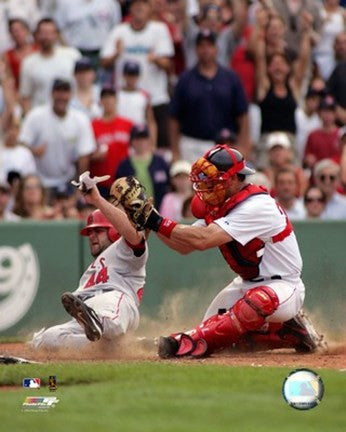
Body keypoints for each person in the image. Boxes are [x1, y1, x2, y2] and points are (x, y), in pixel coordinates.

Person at [117, 144, 326, 358]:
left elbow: (203, 240)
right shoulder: (223, 206)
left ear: (233, 179)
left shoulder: (258, 205)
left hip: (282, 286)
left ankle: (183, 343)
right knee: (224, 339)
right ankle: (291, 333)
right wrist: (148, 219)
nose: (206, 184)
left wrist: (155, 220)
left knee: (252, 305)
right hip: (246, 285)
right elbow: (183, 246)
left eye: (212, 179)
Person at [32, 179, 148, 349]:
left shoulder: (124, 249)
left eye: (98, 230)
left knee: (109, 321)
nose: (92, 236)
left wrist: (97, 200)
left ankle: (100, 325)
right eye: (90, 232)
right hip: (87, 312)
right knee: (48, 339)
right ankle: (124, 347)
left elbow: (134, 235)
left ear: (115, 230)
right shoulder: (91, 270)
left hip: (116, 300)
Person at [101, 0, 174, 149]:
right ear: (130, 8)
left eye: (144, 3)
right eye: (136, 4)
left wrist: (156, 59)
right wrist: (116, 53)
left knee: (157, 149)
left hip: (155, 98)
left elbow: (169, 65)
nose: (139, 7)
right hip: (126, 100)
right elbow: (104, 63)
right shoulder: (119, 31)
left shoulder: (159, 29)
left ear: (150, 7)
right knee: (126, 148)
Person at [169, 29, 250, 163]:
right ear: (196, 49)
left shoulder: (231, 78)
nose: (205, 50)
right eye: (201, 46)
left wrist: (243, 145)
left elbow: (243, 114)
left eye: (209, 45)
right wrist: (175, 150)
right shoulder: (185, 79)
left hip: (225, 144)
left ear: (216, 49)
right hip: (192, 143)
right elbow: (174, 117)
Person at [19, 79, 96, 196]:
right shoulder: (36, 116)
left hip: (69, 180)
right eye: (58, 91)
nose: (62, 96)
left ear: (71, 95)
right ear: (52, 93)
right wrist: (33, 151)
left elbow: (84, 157)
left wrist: (79, 191)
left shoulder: (80, 119)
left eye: (65, 92)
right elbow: (21, 144)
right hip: (40, 182)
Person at [19, 18, 81, 113]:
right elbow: (25, 96)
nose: (46, 37)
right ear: (37, 35)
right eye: (43, 33)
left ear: (56, 35)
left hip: (70, 115)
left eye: (50, 33)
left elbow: (83, 86)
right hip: (41, 117)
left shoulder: (72, 55)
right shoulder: (29, 63)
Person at [90, 85, 133, 196]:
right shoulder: (93, 125)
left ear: (116, 99)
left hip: (125, 183)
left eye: (111, 96)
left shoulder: (128, 124)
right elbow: (87, 155)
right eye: (105, 97)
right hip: (102, 183)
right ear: (100, 101)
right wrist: (95, 156)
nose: (108, 100)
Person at [116, 124, 169, 209]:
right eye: (137, 138)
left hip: (159, 211)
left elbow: (168, 186)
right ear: (132, 141)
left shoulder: (160, 162)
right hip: (133, 212)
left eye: (144, 138)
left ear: (149, 140)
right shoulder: (124, 165)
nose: (141, 142)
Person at [116, 61, 157, 147]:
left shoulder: (144, 95)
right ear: (124, 75)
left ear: (138, 76)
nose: (131, 78)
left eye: (134, 75)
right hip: (120, 134)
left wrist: (153, 143)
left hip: (138, 135)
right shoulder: (116, 94)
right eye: (129, 74)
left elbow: (150, 121)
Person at [303, 95, 340, 170]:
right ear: (319, 113)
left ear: (335, 114)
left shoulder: (341, 134)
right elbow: (306, 158)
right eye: (325, 111)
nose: (328, 115)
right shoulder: (313, 135)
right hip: (317, 174)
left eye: (330, 111)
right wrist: (308, 160)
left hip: (336, 174)